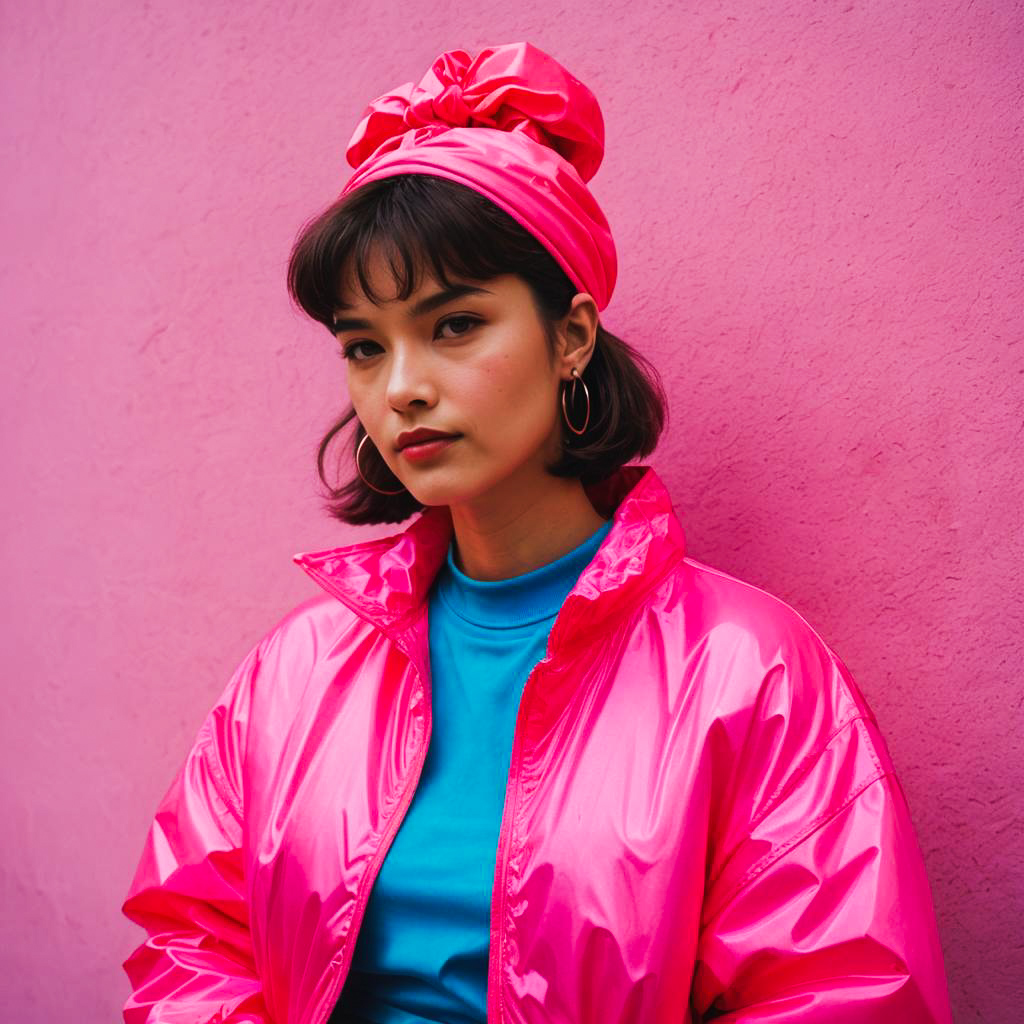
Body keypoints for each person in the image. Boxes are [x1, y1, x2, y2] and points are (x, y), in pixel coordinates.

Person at [120, 41, 953, 1024]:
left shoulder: (752, 676)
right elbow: (193, 947)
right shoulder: (291, 678)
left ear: (570, 335)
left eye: (454, 324)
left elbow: (836, 994)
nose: (401, 387)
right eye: (362, 346)